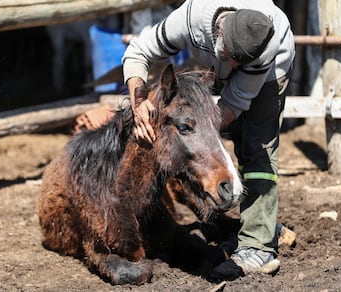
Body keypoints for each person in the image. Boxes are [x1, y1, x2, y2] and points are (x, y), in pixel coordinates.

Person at [122, 0, 295, 279]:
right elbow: (138, 51)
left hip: (271, 71)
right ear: (220, 33)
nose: (234, 67)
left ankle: (257, 245)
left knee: (256, 148)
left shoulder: (265, 51)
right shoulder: (189, 19)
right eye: (231, 58)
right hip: (211, 57)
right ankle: (260, 220)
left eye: (240, 62)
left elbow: (234, 104)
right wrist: (139, 101)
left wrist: (200, 142)